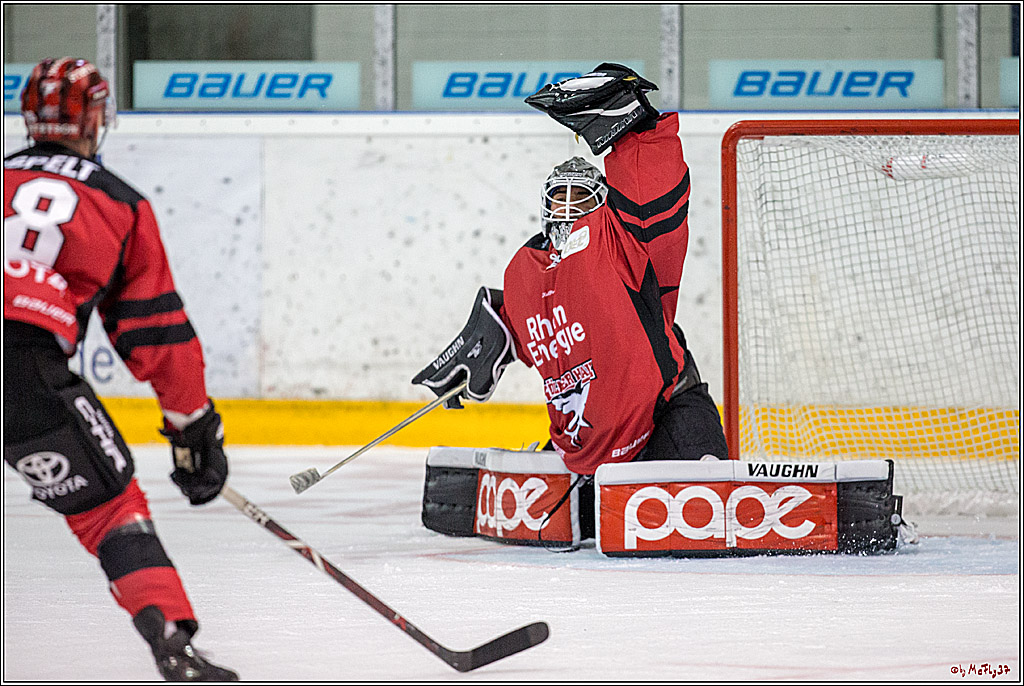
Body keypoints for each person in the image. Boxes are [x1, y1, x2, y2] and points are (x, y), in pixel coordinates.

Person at [414, 64, 728, 534]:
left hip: (667, 416)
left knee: (704, 520)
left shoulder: (624, 242)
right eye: (557, 197)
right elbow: (526, 322)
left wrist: (634, 130)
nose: (566, 207)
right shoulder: (524, 269)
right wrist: (490, 339)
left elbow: (651, 199)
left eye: (580, 198)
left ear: (603, 203)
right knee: (581, 528)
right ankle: (582, 479)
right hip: (585, 447)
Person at [3, 57, 238, 681]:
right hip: (19, 366)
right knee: (108, 507)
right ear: (97, 119)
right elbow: (156, 335)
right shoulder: (117, 204)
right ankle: (171, 642)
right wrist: (192, 430)